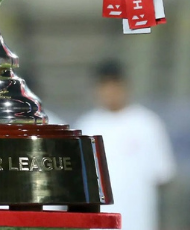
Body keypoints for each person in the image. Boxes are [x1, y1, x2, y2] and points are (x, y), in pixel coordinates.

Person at [74, 61, 175, 230]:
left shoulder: (147, 124)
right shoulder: (86, 127)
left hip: (137, 221)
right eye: (104, 85)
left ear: (126, 86)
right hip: (97, 223)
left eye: (114, 84)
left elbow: (163, 174)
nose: (110, 91)